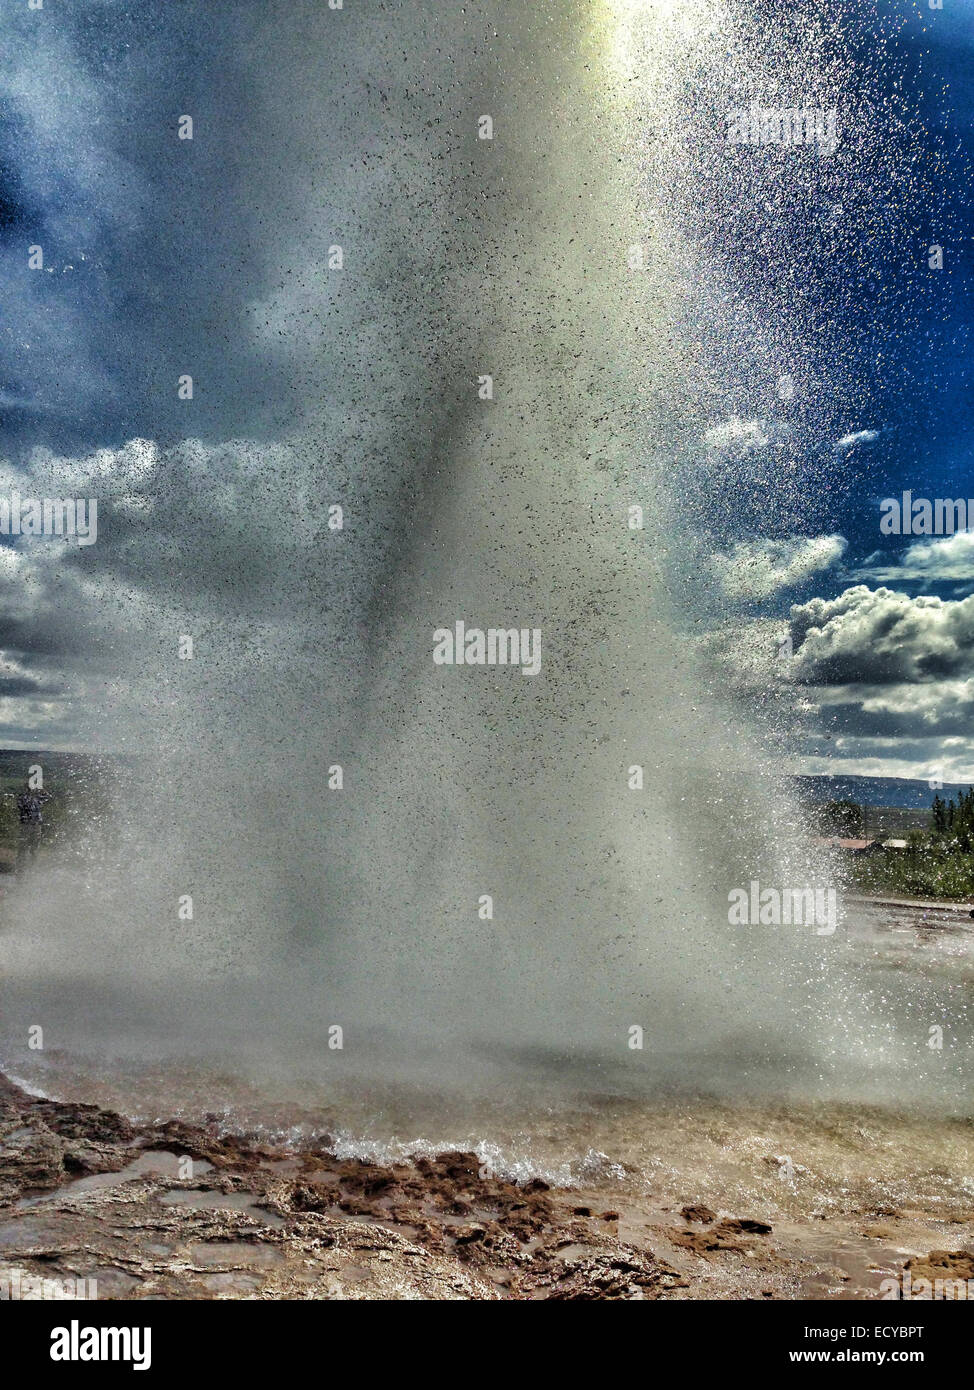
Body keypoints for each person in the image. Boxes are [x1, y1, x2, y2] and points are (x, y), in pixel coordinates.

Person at [16, 781, 50, 870]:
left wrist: (41, 789)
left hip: (35, 825)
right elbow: (22, 806)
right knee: (24, 846)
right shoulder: (23, 797)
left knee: (34, 846)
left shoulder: (36, 798)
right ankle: (22, 865)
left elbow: (47, 797)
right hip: (26, 825)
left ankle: (32, 865)